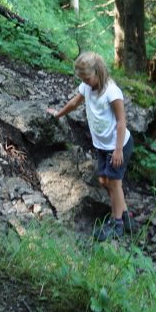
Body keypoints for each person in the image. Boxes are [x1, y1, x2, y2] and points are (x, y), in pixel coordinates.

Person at [48, 51, 136, 241]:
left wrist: (119, 149)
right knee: (105, 182)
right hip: (103, 146)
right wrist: (58, 114)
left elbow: (122, 122)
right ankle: (126, 216)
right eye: (82, 79)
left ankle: (117, 223)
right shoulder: (87, 87)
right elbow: (74, 103)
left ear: (98, 72)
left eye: (87, 78)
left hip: (118, 145)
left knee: (114, 183)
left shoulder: (112, 92)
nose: (85, 82)